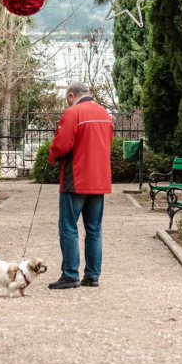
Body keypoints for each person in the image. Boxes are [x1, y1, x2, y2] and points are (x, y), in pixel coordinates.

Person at [47, 81, 113, 289]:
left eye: (68, 100)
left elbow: (62, 144)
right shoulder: (105, 114)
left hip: (75, 179)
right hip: (99, 180)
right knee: (94, 229)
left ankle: (70, 274)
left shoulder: (73, 113)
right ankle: (92, 275)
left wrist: (52, 155)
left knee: (68, 227)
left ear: (72, 95)